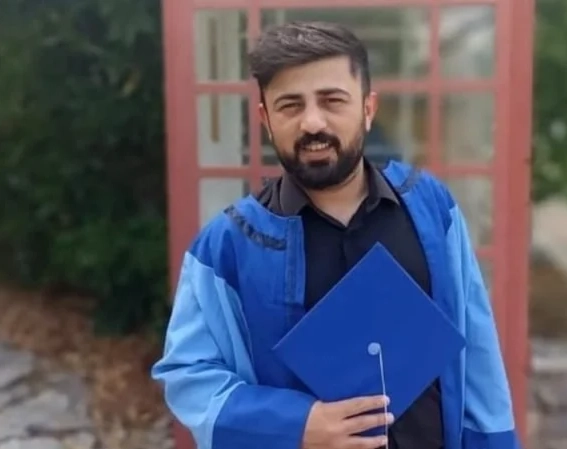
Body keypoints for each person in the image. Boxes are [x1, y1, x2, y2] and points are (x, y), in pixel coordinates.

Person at [152, 21, 521, 449]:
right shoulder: (228, 246)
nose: (312, 122)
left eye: (332, 100)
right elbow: (189, 376)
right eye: (290, 105)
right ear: (266, 119)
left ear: (367, 108)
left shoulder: (431, 208)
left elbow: (478, 358)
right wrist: (295, 425)